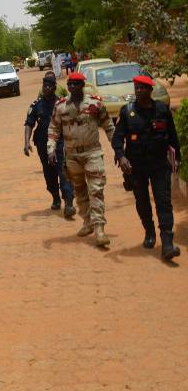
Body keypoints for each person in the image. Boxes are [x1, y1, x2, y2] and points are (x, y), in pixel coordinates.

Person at [112, 74, 182, 260]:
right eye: (136, 88)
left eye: (143, 88)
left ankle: (167, 242)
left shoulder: (161, 110)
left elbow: (172, 136)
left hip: (159, 164)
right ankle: (149, 231)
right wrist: (121, 156)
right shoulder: (127, 112)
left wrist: (177, 158)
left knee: (163, 201)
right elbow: (117, 138)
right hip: (136, 166)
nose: (139, 91)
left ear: (150, 90)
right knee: (142, 202)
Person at [47, 72, 115, 247]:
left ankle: (100, 228)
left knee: (96, 190)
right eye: (70, 84)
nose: (72, 87)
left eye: (76, 84)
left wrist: (118, 150)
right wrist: (51, 149)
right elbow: (54, 129)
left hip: (92, 152)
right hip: (72, 155)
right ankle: (87, 221)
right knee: (79, 189)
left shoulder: (95, 103)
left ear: (82, 85)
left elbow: (108, 126)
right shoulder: (61, 106)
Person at [24, 76, 76, 216]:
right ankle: (55, 197)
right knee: (49, 173)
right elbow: (29, 123)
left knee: (63, 171)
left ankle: (69, 202)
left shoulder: (62, 104)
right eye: (44, 86)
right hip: (42, 143)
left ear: (54, 88)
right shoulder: (37, 105)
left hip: (60, 142)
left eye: (49, 86)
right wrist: (26, 142)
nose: (46, 88)